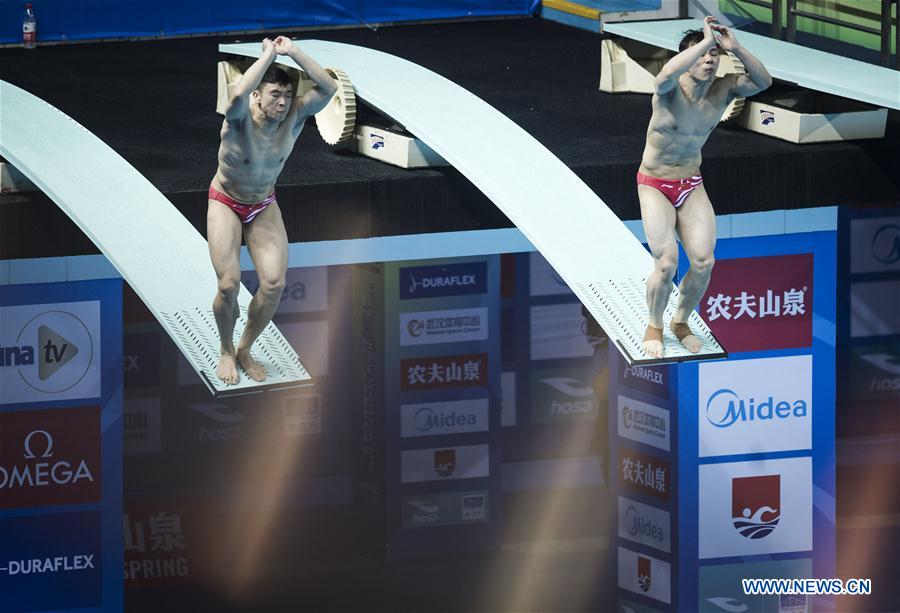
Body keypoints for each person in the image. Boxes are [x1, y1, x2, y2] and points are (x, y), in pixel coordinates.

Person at [638, 16, 772, 358]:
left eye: (715, 56)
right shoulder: (668, 91)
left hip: (691, 183)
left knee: (703, 263)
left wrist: (735, 47)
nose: (711, 60)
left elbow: (764, 81)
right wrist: (703, 41)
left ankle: (680, 322)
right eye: (703, 55)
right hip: (655, 183)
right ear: (688, 58)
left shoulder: (723, 88)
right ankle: (654, 324)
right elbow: (666, 73)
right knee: (666, 264)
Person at [208, 36, 337, 384]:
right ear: (258, 96)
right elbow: (234, 96)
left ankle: (244, 348)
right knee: (228, 285)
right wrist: (266, 55)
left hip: (263, 203)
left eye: (286, 96)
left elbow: (329, 87)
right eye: (274, 96)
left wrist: (292, 51)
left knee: (275, 283)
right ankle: (224, 349)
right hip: (226, 201)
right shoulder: (237, 119)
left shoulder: (295, 116)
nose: (282, 103)